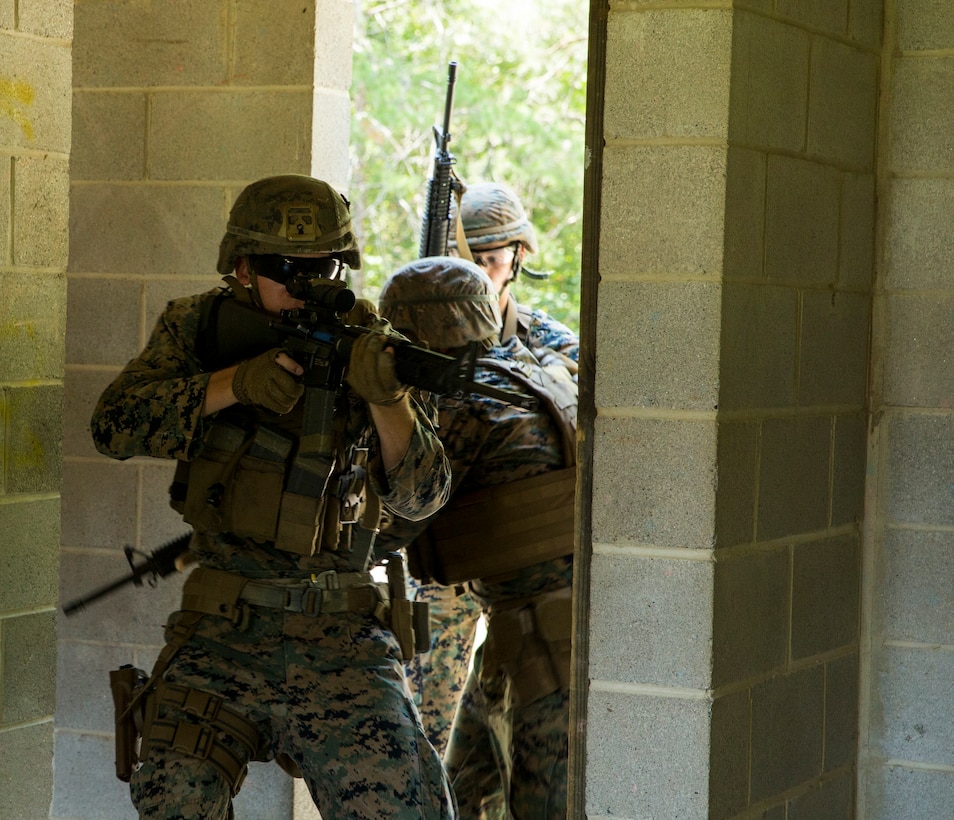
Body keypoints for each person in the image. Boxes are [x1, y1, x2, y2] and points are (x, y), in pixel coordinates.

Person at [89, 174, 456, 819]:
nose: (308, 286)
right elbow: (114, 426)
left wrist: (387, 399)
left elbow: (423, 497)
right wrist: (235, 385)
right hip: (222, 632)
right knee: (174, 796)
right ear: (241, 266)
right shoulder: (199, 329)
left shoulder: (372, 345)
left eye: (327, 267)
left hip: (342, 636)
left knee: (405, 807)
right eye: (288, 268)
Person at [375, 257, 577, 818]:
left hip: (547, 656)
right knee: (458, 795)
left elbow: (384, 527)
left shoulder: (470, 407)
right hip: (525, 640)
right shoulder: (529, 370)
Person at [405, 181, 581, 759]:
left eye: (490, 259)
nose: (480, 274)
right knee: (429, 726)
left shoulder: (545, 340)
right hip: (445, 553)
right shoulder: (423, 342)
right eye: (467, 261)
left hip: (519, 562)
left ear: (518, 257)